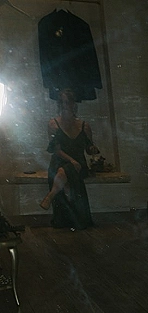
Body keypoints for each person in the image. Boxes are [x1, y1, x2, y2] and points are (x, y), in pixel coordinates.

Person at [39, 88, 99, 229]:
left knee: (66, 170)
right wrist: (71, 161)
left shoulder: (84, 125)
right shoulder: (53, 123)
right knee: (63, 170)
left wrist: (93, 150)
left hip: (79, 162)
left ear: (74, 103)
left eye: (68, 101)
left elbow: (89, 149)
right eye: (63, 102)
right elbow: (56, 150)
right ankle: (73, 217)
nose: (66, 105)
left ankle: (50, 196)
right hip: (61, 161)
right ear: (59, 104)